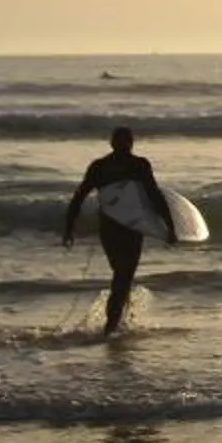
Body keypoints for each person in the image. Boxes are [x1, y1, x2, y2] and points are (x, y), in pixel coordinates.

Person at [62, 126, 176, 336]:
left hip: (120, 227)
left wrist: (170, 226)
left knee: (122, 276)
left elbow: (154, 195)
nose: (124, 144)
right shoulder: (133, 165)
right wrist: (169, 227)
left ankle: (117, 324)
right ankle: (112, 327)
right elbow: (154, 196)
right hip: (125, 228)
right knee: (123, 276)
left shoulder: (105, 166)